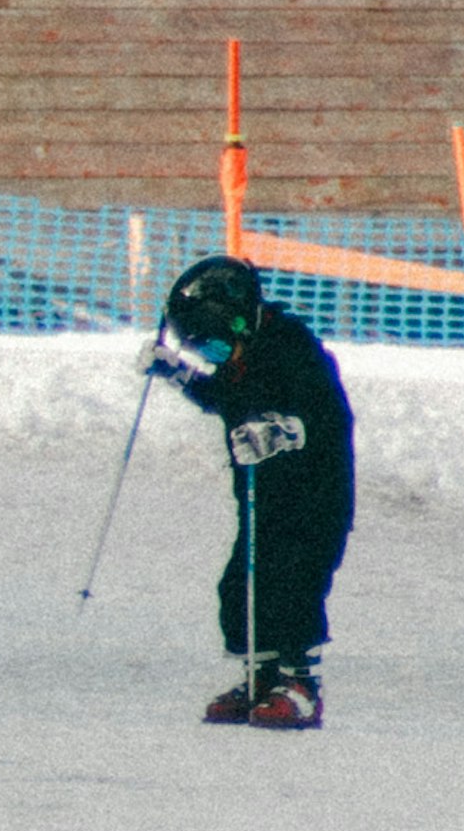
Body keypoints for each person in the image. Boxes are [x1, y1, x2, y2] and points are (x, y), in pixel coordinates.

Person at [149, 253, 355, 727]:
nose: (216, 357)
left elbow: (324, 415)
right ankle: (261, 678)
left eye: (215, 347)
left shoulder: (291, 349)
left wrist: (282, 431)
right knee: (241, 585)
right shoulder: (244, 355)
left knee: (292, 584)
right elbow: (226, 400)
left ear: (238, 322)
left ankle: (300, 683)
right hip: (263, 498)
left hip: (313, 497)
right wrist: (179, 374)